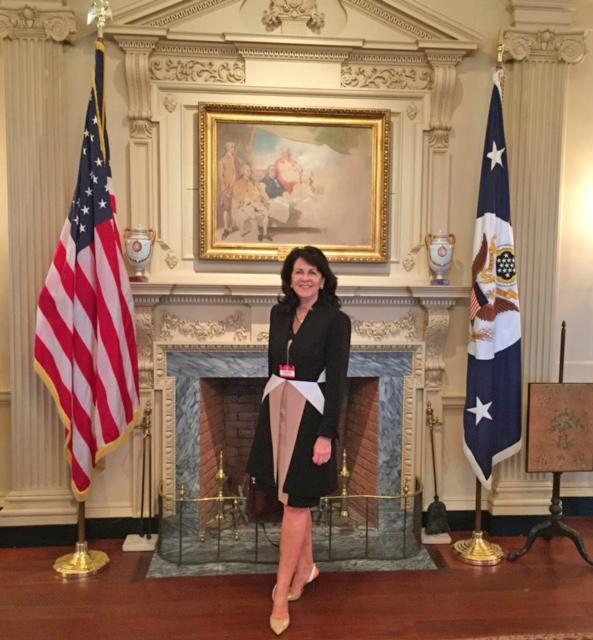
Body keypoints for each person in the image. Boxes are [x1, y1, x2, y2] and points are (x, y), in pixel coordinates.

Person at [246, 246, 351, 636]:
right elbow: (273, 365)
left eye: (312, 272)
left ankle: (280, 593)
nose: (304, 278)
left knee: (297, 501)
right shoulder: (279, 314)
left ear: (324, 278)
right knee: (291, 499)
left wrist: (327, 434)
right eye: (298, 271)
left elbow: (338, 381)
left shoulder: (336, 321)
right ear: (289, 278)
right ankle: (306, 568)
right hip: (276, 407)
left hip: (311, 414)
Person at [231, 164, 272, 241]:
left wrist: (266, 199)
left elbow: (259, 192)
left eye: (250, 171)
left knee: (266, 214)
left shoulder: (253, 182)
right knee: (252, 213)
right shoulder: (238, 183)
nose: (249, 172)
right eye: (247, 171)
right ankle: (258, 234)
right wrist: (245, 199)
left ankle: (265, 234)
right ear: (243, 172)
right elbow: (236, 196)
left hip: (255, 203)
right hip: (244, 204)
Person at [217, 141, 241, 239]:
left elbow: (238, 173)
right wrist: (224, 190)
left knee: (234, 207)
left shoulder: (237, 160)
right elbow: (220, 177)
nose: (233, 149)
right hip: (226, 188)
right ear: (227, 148)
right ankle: (226, 229)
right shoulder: (222, 160)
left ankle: (233, 226)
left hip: (235, 187)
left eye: (234, 147)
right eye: (232, 147)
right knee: (226, 208)